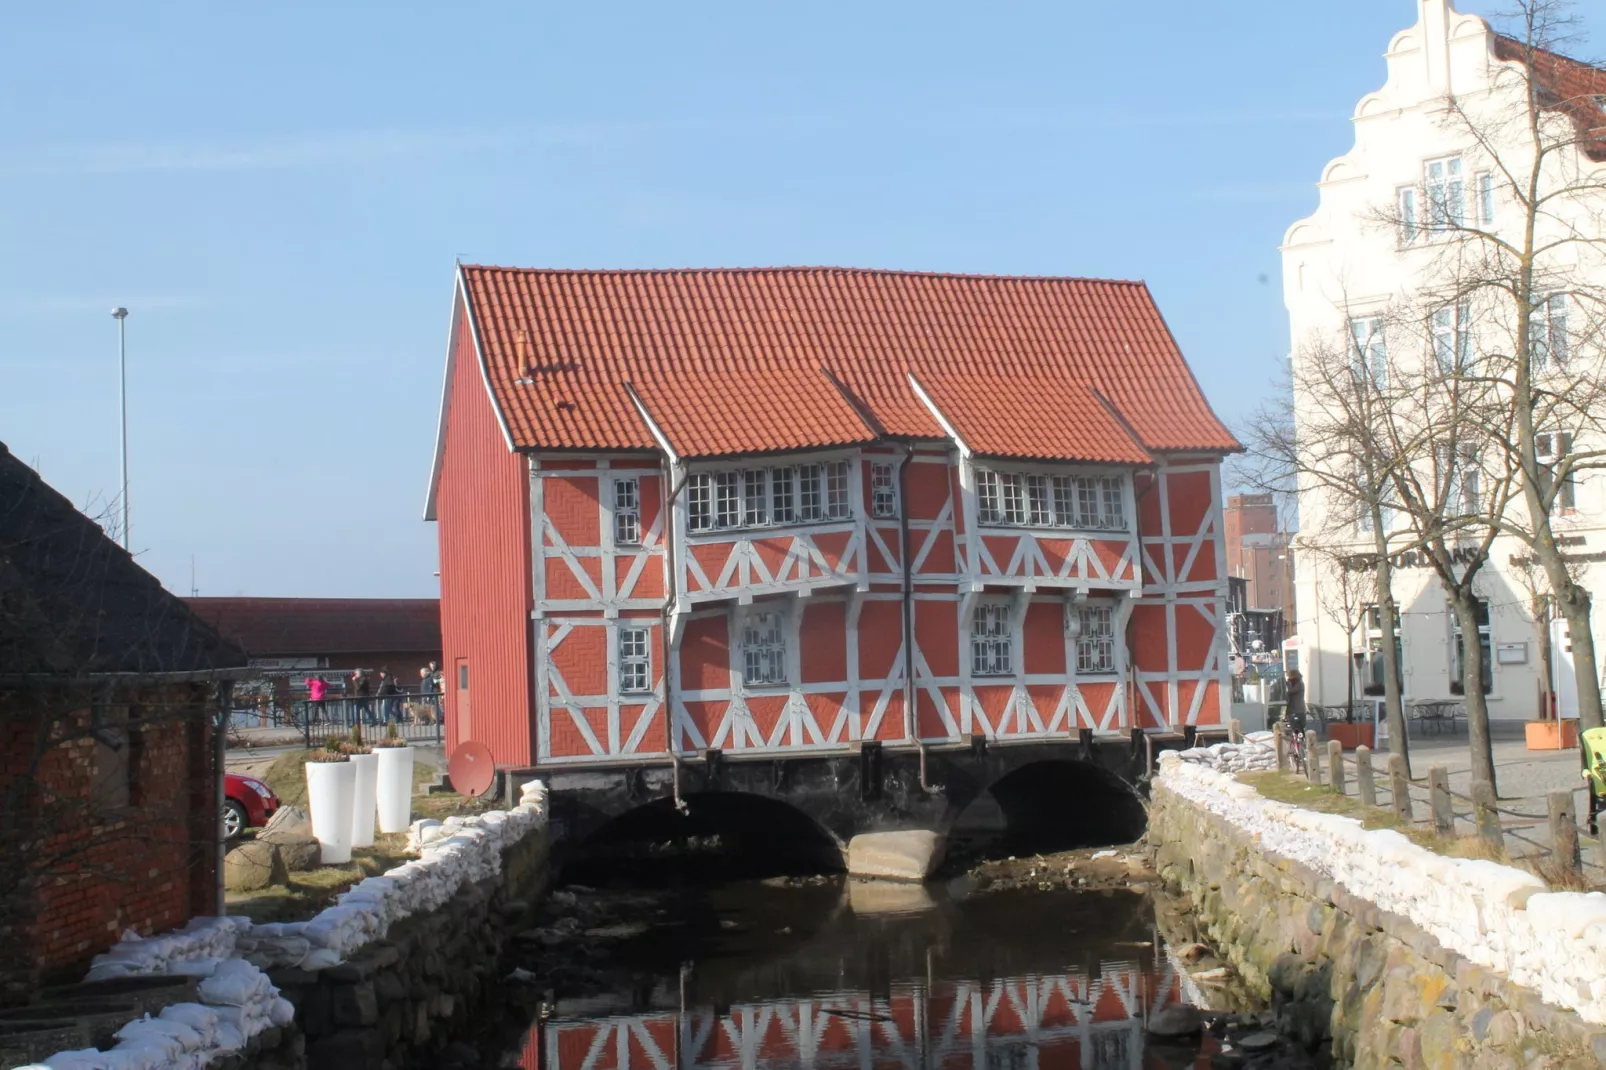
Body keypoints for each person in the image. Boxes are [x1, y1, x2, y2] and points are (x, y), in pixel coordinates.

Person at [1284, 669, 1307, 737]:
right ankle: (1298, 742)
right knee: (1295, 728)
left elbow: (1290, 691)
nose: (1288, 679)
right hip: (1294, 710)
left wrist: (1288, 684)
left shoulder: (1300, 684)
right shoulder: (1297, 683)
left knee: (1298, 728)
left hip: (1298, 710)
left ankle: (1300, 742)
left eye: (1289, 677)